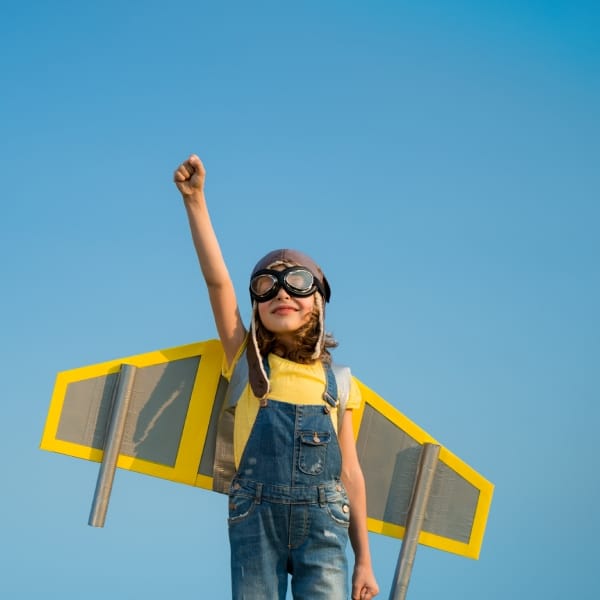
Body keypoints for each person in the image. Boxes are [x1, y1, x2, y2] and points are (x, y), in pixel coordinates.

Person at [174, 154, 379, 600]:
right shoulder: (246, 359)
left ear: (319, 302)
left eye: (297, 282)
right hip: (256, 520)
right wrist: (195, 202)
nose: (282, 292)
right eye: (267, 286)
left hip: (327, 524)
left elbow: (351, 473)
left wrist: (364, 559)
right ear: (255, 307)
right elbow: (217, 284)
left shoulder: (341, 382)